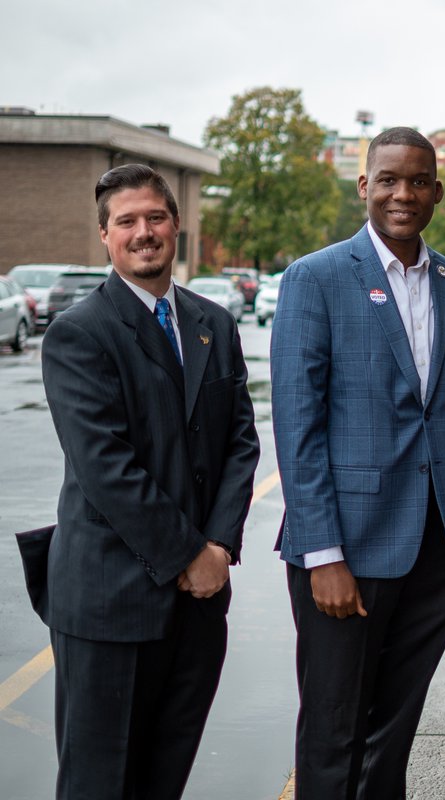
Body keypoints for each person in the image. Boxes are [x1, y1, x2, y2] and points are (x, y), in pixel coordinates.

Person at [17, 163, 260, 799]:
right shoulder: (79, 334)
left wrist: (219, 547)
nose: (143, 231)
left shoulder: (216, 323)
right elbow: (105, 468)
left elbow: (239, 442)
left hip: (200, 604)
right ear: (105, 236)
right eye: (127, 221)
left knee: (164, 780)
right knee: (101, 785)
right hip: (109, 603)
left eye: (155, 217)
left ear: (177, 226)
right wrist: (188, 554)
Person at [271, 126, 445, 798]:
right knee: (334, 731)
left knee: (395, 725)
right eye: (388, 179)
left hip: (436, 550)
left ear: (437, 192)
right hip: (348, 553)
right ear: (363, 186)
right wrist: (321, 552)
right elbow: (298, 426)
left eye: (418, 180)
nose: (403, 193)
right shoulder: (316, 278)